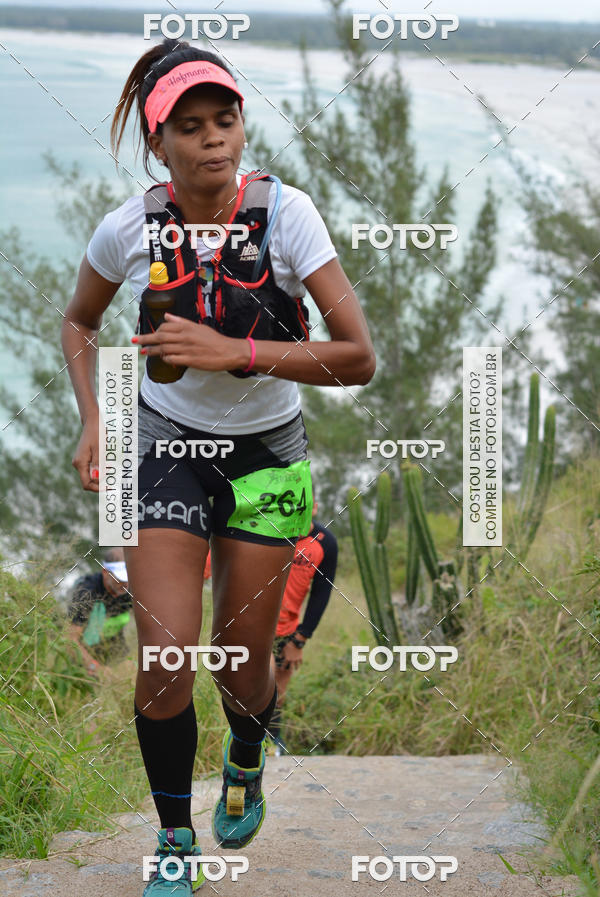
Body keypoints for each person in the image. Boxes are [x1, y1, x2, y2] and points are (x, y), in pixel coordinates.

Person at [62, 38, 375, 896]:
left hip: (269, 459)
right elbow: (78, 323)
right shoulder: (130, 226)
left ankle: (246, 750)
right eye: (189, 127)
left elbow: (357, 358)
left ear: (243, 126)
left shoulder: (288, 217)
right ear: (159, 144)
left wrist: (235, 349)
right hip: (166, 452)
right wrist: (95, 421)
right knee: (163, 659)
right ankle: (173, 838)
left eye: (225, 120)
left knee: (243, 671)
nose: (212, 140)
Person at [270, 505, 338, 755]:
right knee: (259, 684)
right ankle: (248, 742)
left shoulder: (325, 543)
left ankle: (273, 741)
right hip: (256, 625)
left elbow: (321, 594)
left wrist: (299, 640)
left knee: (279, 688)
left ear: (315, 506)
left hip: (287, 631)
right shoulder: (269, 531)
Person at [67, 547, 131, 675]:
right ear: (105, 572)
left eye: (128, 577)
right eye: (120, 578)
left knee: (131, 672)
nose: (125, 583)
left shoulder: (132, 590)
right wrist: (94, 667)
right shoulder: (86, 592)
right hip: (85, 643)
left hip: (113, 640)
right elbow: (70, 640)